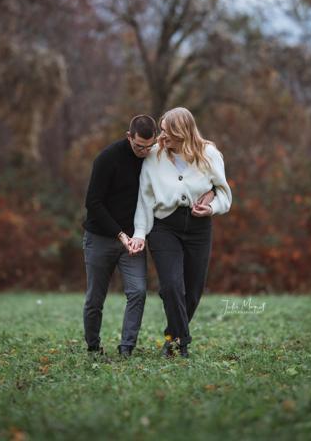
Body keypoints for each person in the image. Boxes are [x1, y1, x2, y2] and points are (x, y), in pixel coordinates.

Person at [132, 107, 232, 358]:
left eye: (165, 131)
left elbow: (224, 194)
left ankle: (172, 336)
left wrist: (210, 208)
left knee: (194, 290)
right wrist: (140, 233)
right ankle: (181, 342)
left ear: (181, 132)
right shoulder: (154, 156)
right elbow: (145, 198)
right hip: (165, 225)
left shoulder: (209, 154)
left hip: (199, 228)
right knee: (172, 285)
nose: (160, 136)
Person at [82, 114, 157, 358]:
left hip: (134, 239)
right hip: (100, 237)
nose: (144, 151)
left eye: (149, 146)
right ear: (129, 137)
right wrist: (119, 234)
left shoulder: (154, 159)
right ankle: (93, 346)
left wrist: (136, 235)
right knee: (95, 298)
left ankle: (127, 348)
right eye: (139, 146)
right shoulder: (107, 158)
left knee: (138, 292)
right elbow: (93, 202)